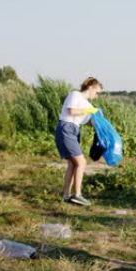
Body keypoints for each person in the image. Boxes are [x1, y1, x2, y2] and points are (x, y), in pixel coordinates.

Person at [54, 77, 102, 206]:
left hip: (74, 130)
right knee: (81, 162)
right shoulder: (75, 95)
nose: (97, 96)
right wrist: (90, 111)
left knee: (73, 163)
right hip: (66, 127)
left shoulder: (88, 104)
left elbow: (90, 122)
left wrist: (101, 122)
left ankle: (66, 196)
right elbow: (72, 111)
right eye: (97, 92)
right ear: (91, 87)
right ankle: (77, 195)